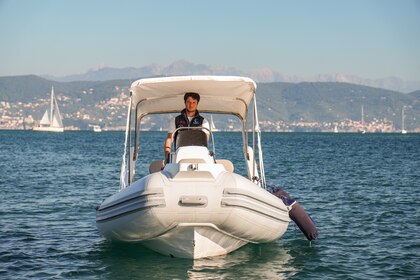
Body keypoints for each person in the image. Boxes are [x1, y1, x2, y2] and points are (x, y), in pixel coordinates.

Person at [164, 92, 209, 161]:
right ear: (185, 103)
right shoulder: (175, 120)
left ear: (197, 104)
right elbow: (170, 138)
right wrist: (167, 155)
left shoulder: (204, 121)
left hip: (199, 156)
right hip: (180, 156)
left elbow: (205, 139)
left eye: (194, 102)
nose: (191, 105)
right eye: (189, 102)